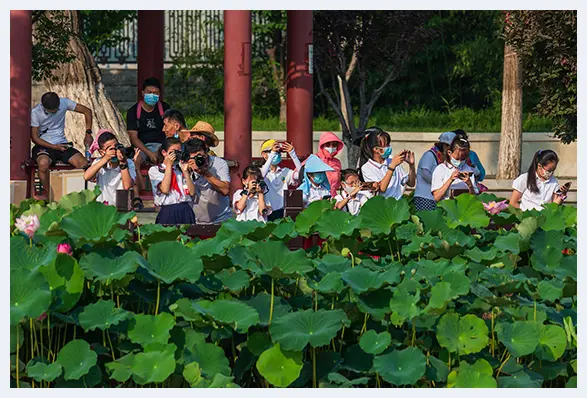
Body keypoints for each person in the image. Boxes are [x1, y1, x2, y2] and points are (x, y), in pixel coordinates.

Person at [30, 92, 94, 200]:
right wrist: (53, 147)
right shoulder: (36, 112)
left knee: (83, 164)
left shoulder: (64, 102)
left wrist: (88, 133)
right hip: (44, 145)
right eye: (51, 111)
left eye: (56, 109)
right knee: (43, 163)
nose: (54, 112)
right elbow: (35, 138)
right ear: (43, 106)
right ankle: (50, 196)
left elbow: (87, 111)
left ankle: (79, 196)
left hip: (62, 143)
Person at [126, 77, 171, 209]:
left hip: (162, 145)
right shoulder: (133, 112)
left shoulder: (165, 109)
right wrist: (148, 153)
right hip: (142, 146)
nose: (153, 95)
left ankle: (166, 194)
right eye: (149, 92)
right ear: (142, 93)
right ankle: (137, 196)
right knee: (135, 162)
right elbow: (133, 138)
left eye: (156, 93)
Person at [148, 137, 196, 225]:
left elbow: (192, 192)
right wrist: (169, 165)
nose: (176, 155)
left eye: (179, 152)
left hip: (185, 208)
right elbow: (165, 189)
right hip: (168, 210)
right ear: (164, 153)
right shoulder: (155, 170)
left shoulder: (181, 169)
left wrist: (185, 172)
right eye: (173, 152)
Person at [359, 128, 416, 200]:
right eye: (386, 145)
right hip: (383, 206)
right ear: (376, 149)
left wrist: (411, 165)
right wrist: (392, 167)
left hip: (398, 204)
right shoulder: (367, 168)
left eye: (388, 144)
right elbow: (382, 188)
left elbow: (411, 183)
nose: (389, 147)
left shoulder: (392, 160)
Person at [185, 139, 232, 224]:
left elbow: (225, 190)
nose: (199, 160)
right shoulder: (184, 167)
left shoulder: (219, 163)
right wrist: (186, 172)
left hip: (221, 218)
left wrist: (206, 173)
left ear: (206, 152)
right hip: (194, 220)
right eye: (194, 158)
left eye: (201, 156)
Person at [83, 131, 136, 206]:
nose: (114, 151)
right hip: (103, 207)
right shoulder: (99, 162)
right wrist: (105, 158)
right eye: (110, 149)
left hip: (121, 207)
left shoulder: (129, 162)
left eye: (116, 147)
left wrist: (122, 162)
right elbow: (86, 177)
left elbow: (127, 186)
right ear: (102, 152)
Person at [260, 139, 302, 221]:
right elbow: (261, 176)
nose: (277, 154)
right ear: (264, 154)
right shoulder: (259, 171)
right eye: (273, 151)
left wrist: (293, 154)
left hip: (282, 212)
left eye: (279, 152)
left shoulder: (286, 171)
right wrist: (272, 154)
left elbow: (302, 175)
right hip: (266, 211)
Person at [413, 131, 456, 211]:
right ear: (444, 145)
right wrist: (439, 183)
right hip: (425, 197)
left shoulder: (441, 157)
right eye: (450, 147)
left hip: (434, 197)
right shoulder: (429, 155)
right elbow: (424, 173)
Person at [431, 137, 479, 202]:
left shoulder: (468, 169)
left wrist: (470, 185)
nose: (460, 161)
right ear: (449, 153)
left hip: (463, 208)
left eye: (463, 159)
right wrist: (450, 179)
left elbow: (474, 200)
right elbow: (436, 198)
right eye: (457, 158)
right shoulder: (440, 169)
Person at [316, 132, 344, 197]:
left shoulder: (337, 162)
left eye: (334, 145)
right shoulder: (315, 159)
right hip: (317, 196)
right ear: (322, 145)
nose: (331, 147)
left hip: (333, 196)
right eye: (328, 145)